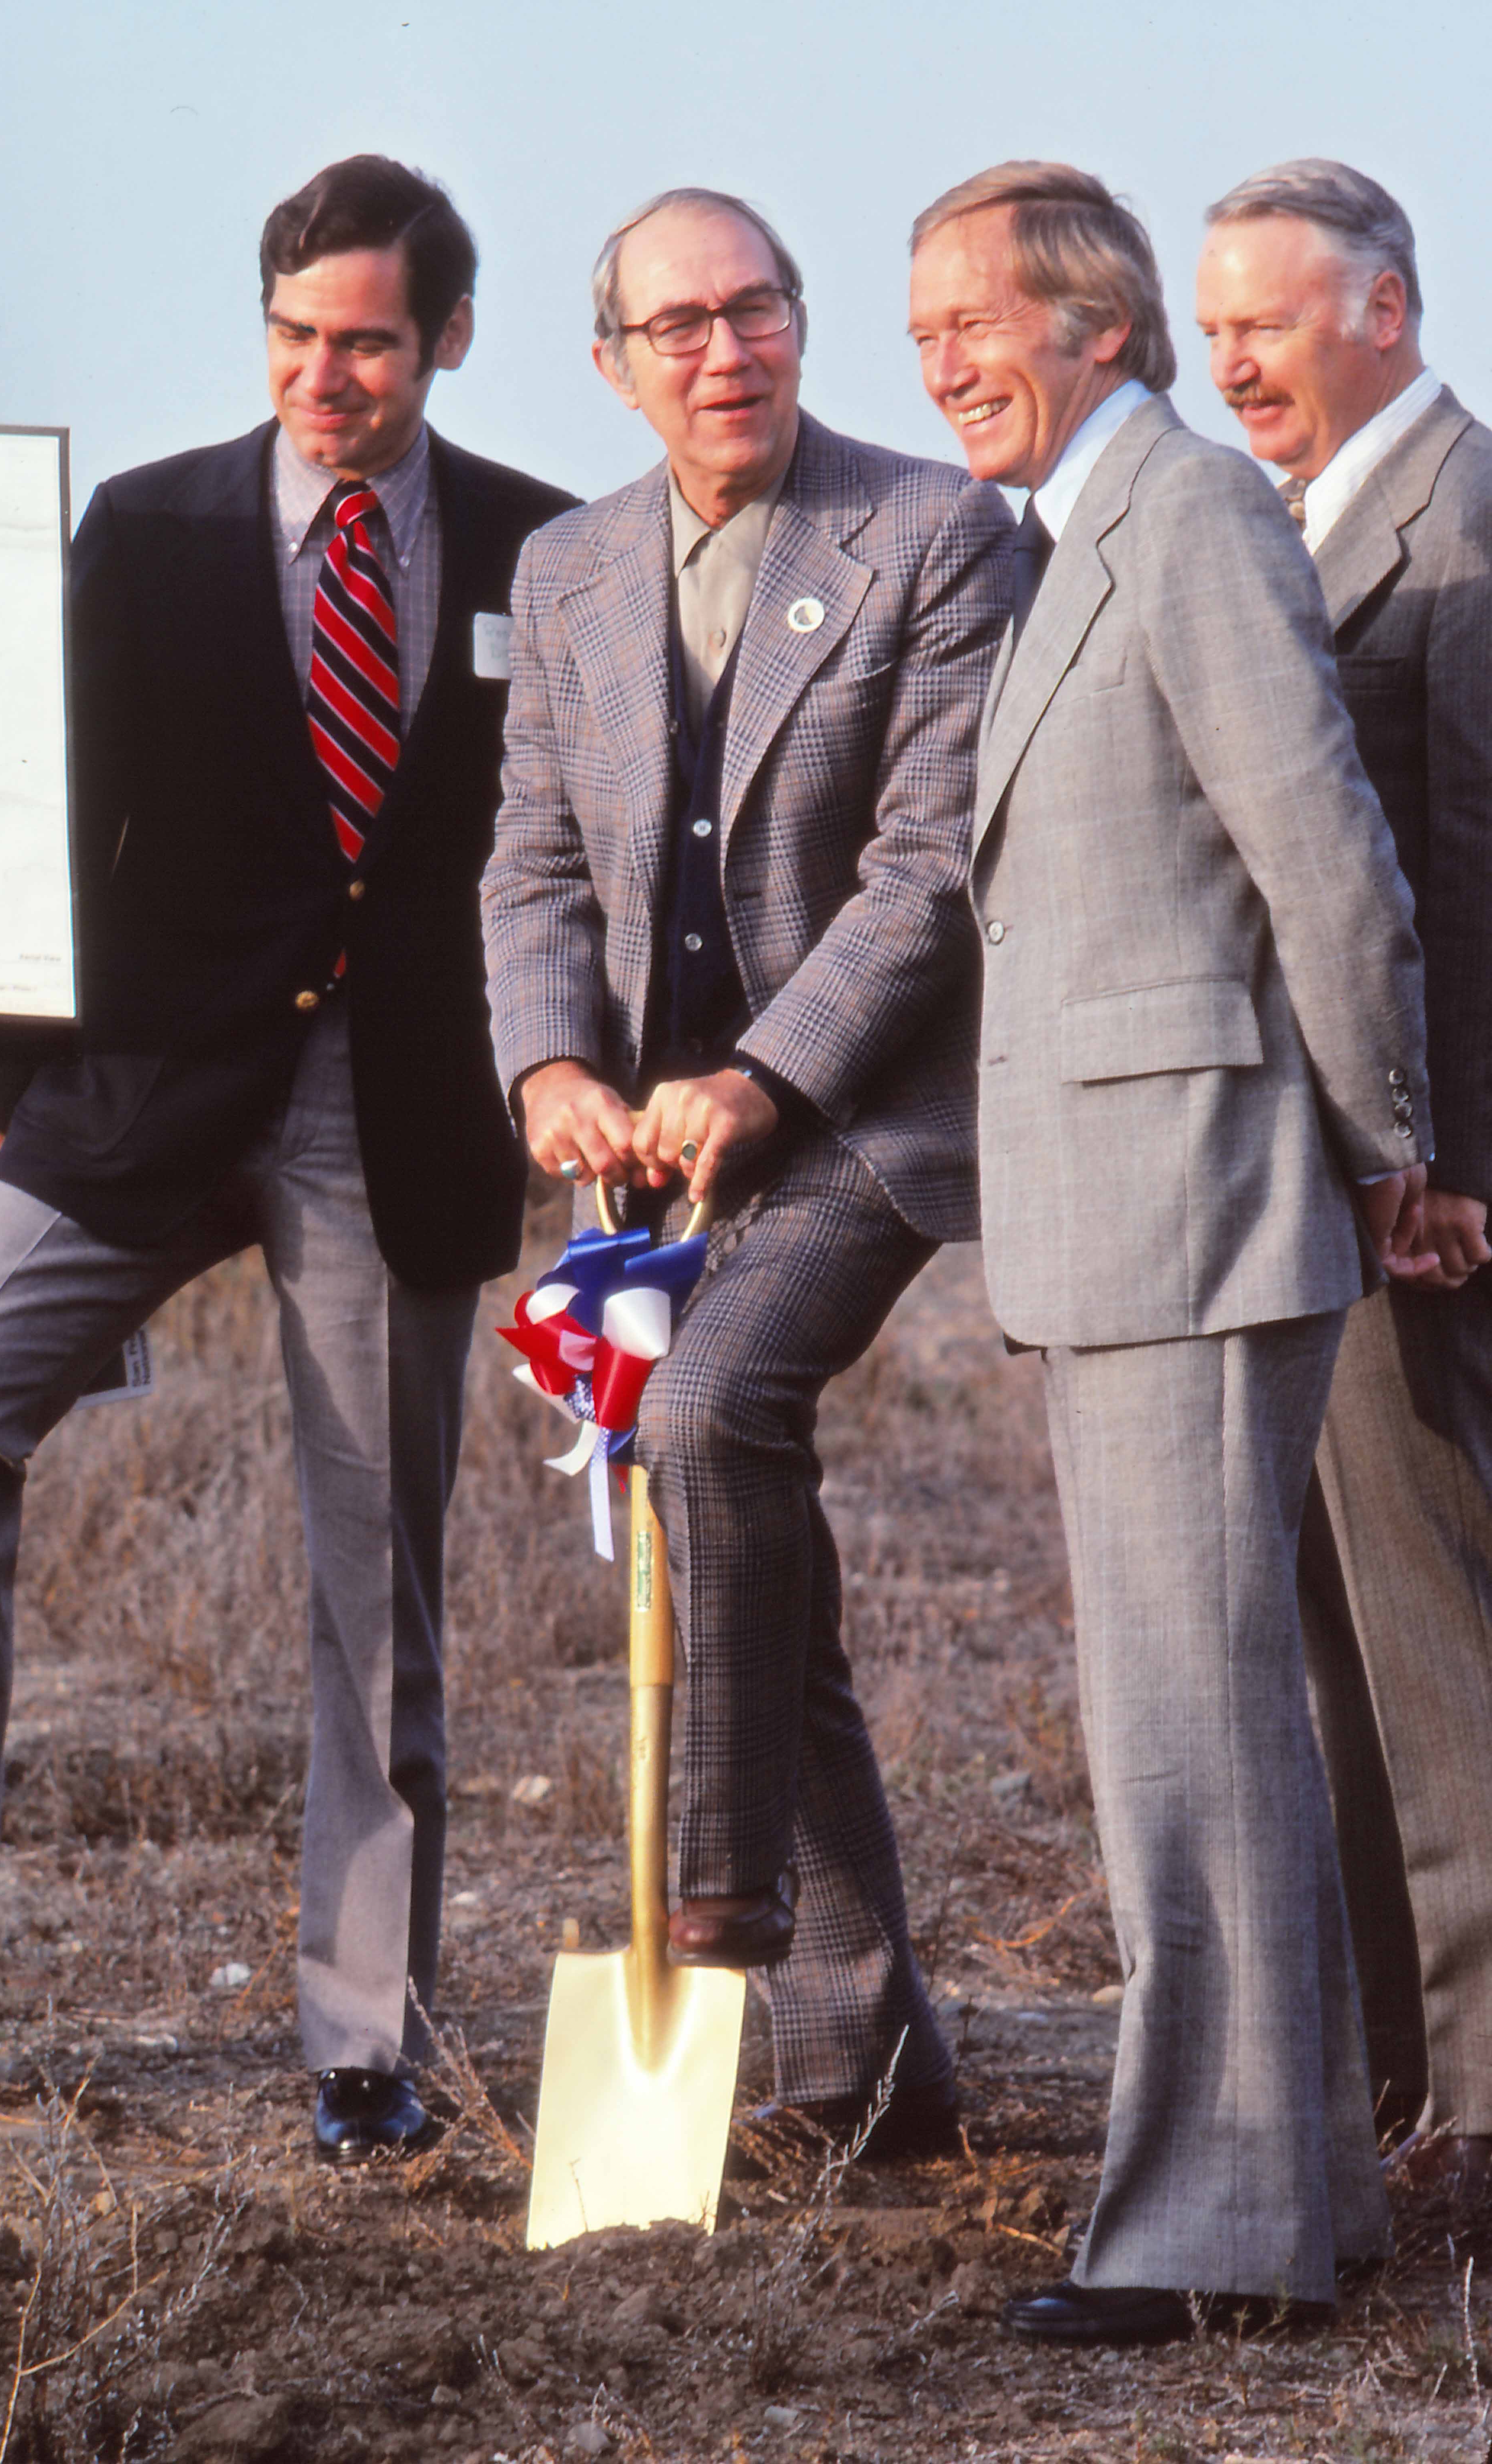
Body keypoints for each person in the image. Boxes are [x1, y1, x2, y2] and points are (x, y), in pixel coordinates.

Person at [0, 155, 574, 2165]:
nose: (327, 376)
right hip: (135, 1089)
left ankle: (364, 2045)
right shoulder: (146, 530)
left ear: (446, 340)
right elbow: (49, 828)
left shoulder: (540, 554)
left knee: (368, 1583)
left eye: (369, 341)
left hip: (390, 1111)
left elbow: (574, 857)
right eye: (296, 337)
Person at [907, 160, 1432, 2339]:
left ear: (1097, 323)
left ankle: (1207, 2232)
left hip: (1204, 1209)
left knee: (1189, 1732)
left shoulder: (1193, 518)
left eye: (971, 322)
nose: (938, 363)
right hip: (1127, 1223)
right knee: (1210, 1719)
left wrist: (1388, 1141)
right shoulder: (1066, 545)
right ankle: (1302, 2193)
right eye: (920, 329)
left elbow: (1331, 855)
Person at [482, 185, 1012, 2150]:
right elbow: (532, 859)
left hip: (864, 1117)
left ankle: (723, 1908)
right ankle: (870, 2077)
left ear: (804, 324)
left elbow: (930, 868)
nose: (728, 353)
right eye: (681, 326)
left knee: (711, 1421)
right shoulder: (563, 572)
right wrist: (549, 1064)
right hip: (644, 1160)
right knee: (732, 1528)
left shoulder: (933, 535)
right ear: (615, 367)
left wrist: (764, 1080)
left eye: (759, 311)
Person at [1200, 160, 1492, 2189]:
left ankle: (1482, 2113)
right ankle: (1403, 2081)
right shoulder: (1292, 527)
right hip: (1305, 1195)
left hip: (1419, 1205)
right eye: (1211, 331)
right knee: (1343, 1652)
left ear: (1383, 311)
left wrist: (1435, 1164)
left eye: (1268, 325)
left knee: (1435, 1650)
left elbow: (1467, 880)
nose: (1234, 364)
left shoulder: (1460, 526)